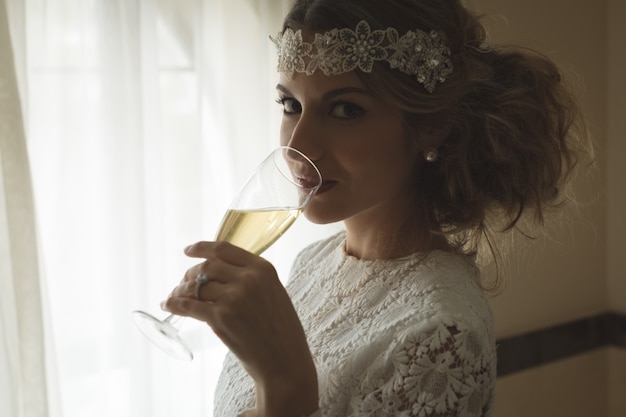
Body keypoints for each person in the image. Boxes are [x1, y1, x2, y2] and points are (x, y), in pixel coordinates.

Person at [161, 0, 592, 416]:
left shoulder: (441, 336)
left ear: (432, 126)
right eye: (291, 105)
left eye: (346, 109)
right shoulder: (315, 261)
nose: (297, 146)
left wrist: (283, 389)